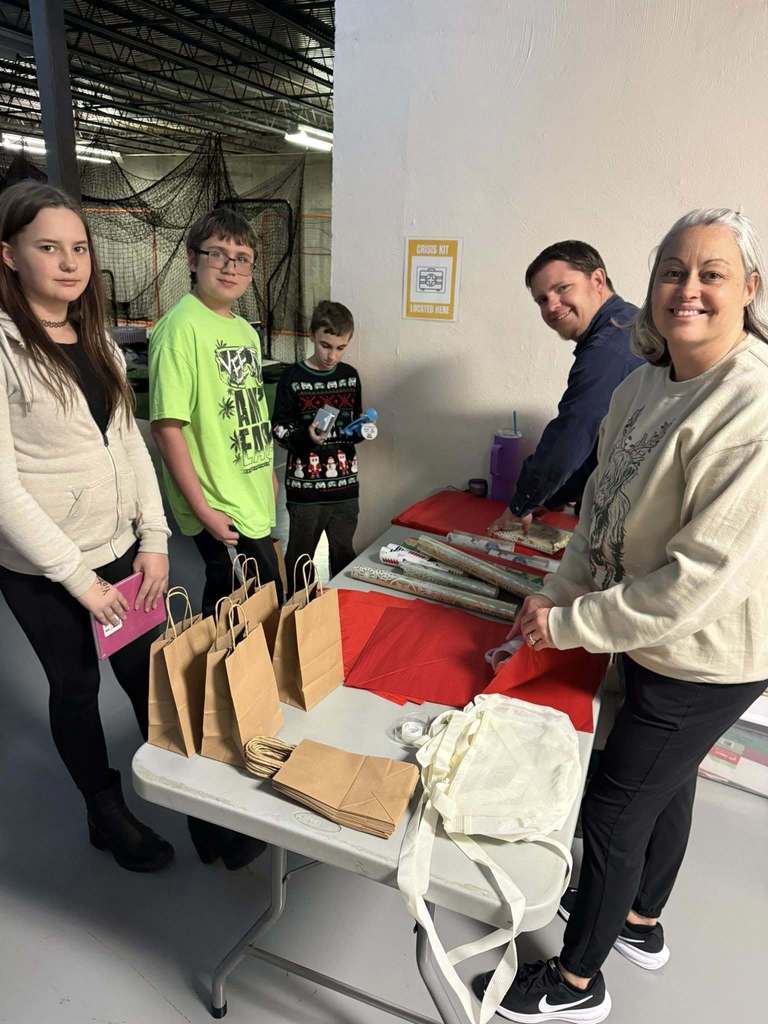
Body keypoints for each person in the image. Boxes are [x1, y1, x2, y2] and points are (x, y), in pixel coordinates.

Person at [474, 208, 768, 1022]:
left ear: (750, 289)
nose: (689, 289)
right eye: (674, 270)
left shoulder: (751, 405)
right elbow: (601, 517)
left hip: (710, 654)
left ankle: (575, 983)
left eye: (712, 273)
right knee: (665, 785)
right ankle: (638, 921)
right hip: (650, 635)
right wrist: (557, 593)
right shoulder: (642, 384)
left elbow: (693, 585)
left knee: (611, 805)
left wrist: (567, 626)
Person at [0, 181, 174, 873]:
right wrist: (79, 581)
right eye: (49, 247)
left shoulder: (95, 332)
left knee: (143, 673)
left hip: (120, 549)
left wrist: (154, 541)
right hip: (43, 569)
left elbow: (129, 441)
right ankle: (104, 810)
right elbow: (3, 487)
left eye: (78, 248)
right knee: (76, 687)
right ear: (9, 255)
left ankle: (195, 800)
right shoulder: (7, 346)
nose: (70, 263)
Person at [149, 205, 282, 618]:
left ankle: (245, 679)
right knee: (237, 611)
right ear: (193, 258)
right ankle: (220, 680)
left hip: (252, 490)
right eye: (217, 253)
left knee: (260, 601)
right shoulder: (179, 328)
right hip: (219, 502)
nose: (230, 267)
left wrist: (268, 472)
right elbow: (168, 428)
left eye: (242, 259)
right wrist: (203, 509)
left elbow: (249, 411)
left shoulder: (244, 330)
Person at [488, 241, 641, 535]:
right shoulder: (624, 326)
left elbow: (572, 434)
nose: (552, 306)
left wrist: (522, 504)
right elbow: (597, 442)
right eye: (542, 300)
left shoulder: (609, 349)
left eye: (562, 289)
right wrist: (551, 498)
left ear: (597, 280)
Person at [272, 301, 363, 589]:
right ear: (312, 335)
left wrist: (362, 430)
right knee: (300, 559)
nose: (332, 355)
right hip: (305, 492)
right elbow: (278, 428)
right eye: (326, 345)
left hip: (345, 490)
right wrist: (306, 436)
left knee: (344, 555)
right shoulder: (292, 377)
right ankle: (300, 616)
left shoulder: (350, 376)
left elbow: (355, 425)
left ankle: (342, 615)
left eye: (340, 347)